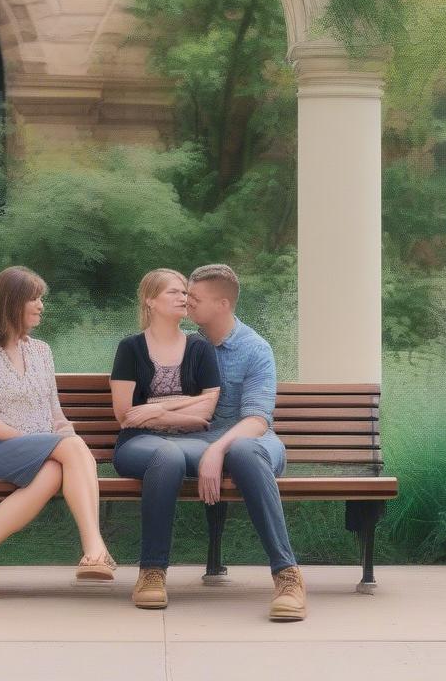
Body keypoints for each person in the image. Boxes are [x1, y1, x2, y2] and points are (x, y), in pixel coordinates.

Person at [0, 265, 116, 597]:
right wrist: (32, 443)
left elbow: (53, 410)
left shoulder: (41, 352)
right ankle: (95, 549)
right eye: (34, 299)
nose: (41, 306)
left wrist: (60, 432)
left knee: (58, 464)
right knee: (66, 449)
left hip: (34, 452)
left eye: (41, 299)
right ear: (11, 302)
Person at [185, 263, 307, 622]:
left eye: (196, 298)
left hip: (252, 441)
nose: (187, 303)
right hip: (199, 442)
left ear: (222, 304)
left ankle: (287, 575)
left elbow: (256, 421)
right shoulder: (186, 346)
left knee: (244, 450)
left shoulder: (255, 349)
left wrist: (217, 449)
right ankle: (151, 571)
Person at [109, 268, 221, 609]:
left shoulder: (200, 348)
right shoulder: (130, 348)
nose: (183, 298)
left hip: (191, 443)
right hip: (136, 443)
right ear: (150, 300)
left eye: (185, 293)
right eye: (174, 292)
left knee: (171, 453)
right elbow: (125, 415)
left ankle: (152, 569)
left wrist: (156, 410)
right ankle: (152, 571)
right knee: (166, 455)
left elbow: (206, 413)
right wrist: (185, 407)